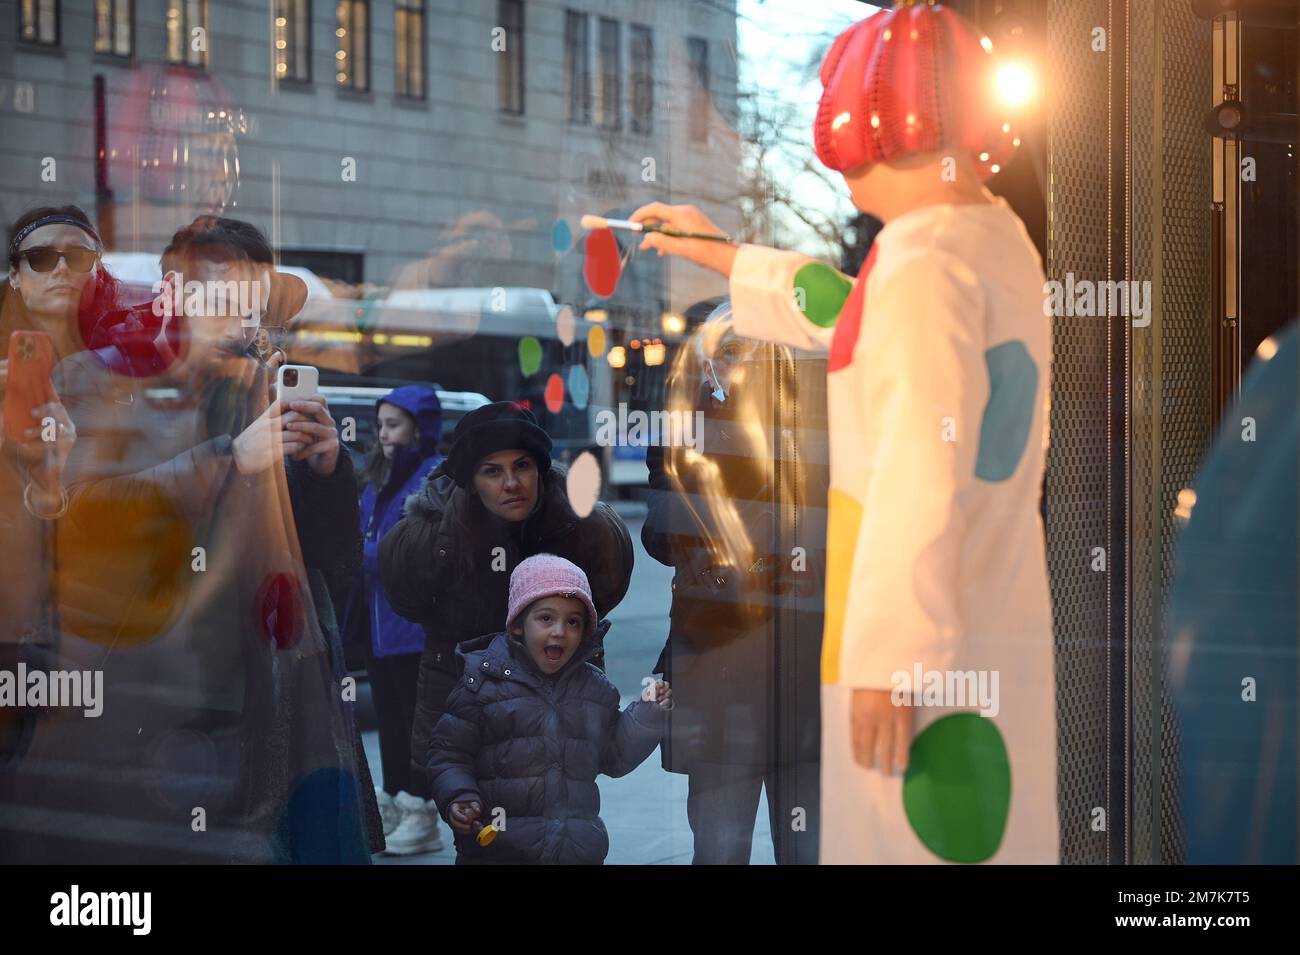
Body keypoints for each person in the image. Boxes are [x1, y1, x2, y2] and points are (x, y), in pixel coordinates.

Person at [629, 1, 1058, 864]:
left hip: (919, 648)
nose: (844, 177)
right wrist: (725, 255)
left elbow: (916, 471)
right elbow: (851, 312)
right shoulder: (988, 238)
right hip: (983, 614)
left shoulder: (921, 262)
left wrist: (894, 662)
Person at [0, 215, 378, 863]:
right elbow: (86, 519)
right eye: (216, 290)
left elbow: (333, 563)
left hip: (278, 689)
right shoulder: (100, 380)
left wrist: (327, 470)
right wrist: (231, 457)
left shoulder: (264, 381)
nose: (237, 310)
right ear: (174, 294)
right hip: (158, 684)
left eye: (247, 292)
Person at [379, 400, 634, 803]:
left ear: (540, 469)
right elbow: (407, 598)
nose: (511, 483)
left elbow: (605, 591)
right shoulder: (430, 536)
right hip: (469, 701)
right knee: (481, 826)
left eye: (522, 466)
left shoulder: (584, 526)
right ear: (470, 481)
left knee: (558, 822)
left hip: (559, 698)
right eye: (492, 471)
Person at [643, 301, 824, 864]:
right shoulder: (686, 433)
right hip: (720, 668)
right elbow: (660, 537)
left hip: (801, 668)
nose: (739, 365)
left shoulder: (809, 429)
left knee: (809, 845)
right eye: (724, 353)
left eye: (753, 350)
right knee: (722, 845)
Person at [427, 554, 671, 864]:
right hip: (499, 851)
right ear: (518, 625)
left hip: (575, 852)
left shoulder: (593, 688)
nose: (559, 631)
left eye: (573, 622)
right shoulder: (482, 684)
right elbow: (448, 755)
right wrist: (459, 796)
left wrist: (648, 715)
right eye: (546, 618)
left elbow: (614, 756)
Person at [343, 385, 446, 854]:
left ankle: (420, 810)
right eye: (380, 424)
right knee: (388, 720)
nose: (383, 434)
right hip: (377, 626)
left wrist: (354, 555)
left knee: (413, 723)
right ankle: (394, 803)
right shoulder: (378, 477)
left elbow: (413, 551)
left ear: (419, 428)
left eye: (394, 424)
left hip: (412, 628)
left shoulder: (432, 477)